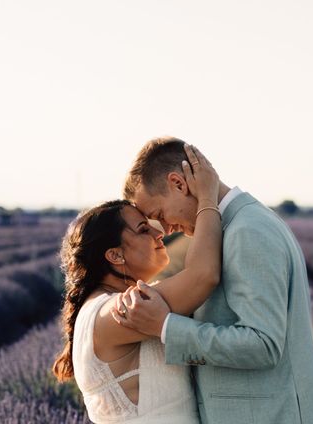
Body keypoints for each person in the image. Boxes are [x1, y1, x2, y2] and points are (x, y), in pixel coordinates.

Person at [117, 136, 313, 424]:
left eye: (159, 215)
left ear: (178, 184)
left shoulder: (247, 231)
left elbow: (263, 344)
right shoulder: (239, 224)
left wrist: (165, 327)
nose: (166, 230)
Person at [52, 144, 222, 423]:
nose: (160, 233)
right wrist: (207, 197)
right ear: (115, 255)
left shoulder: (109, 306)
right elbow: (203, 275)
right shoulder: (118, 311)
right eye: (144, 229)